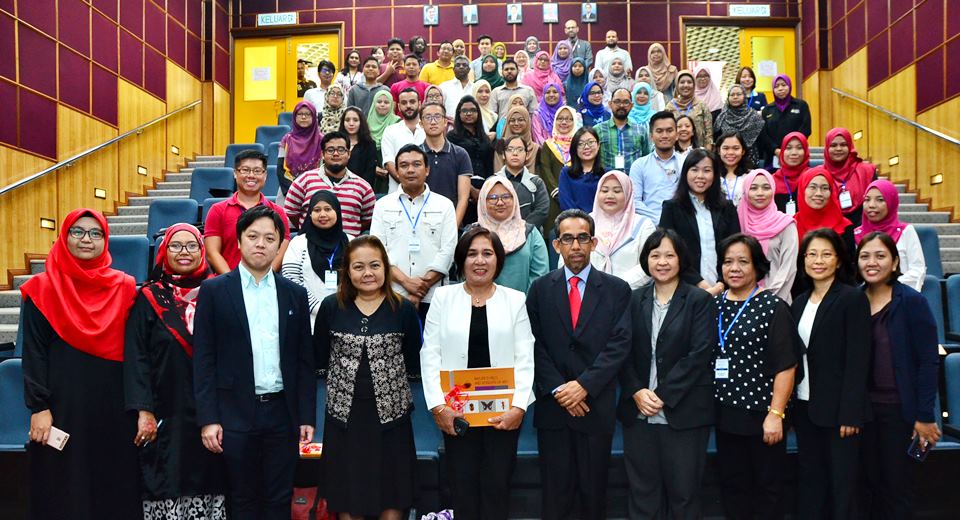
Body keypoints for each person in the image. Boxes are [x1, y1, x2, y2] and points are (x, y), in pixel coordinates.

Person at [193, 205, 316, 520]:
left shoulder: (294, 294)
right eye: (253, 236)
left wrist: (306, 416)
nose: (261, 244)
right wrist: (208, 418)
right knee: (242, 500)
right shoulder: (214, 290)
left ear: (279, 244)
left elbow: (304, 361)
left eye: (269, 238)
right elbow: (204, 360)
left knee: (279, 498)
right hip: (233, 413)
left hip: (282, 413)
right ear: (240, 239)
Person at [22, 209, 140, 519]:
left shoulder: (125, 287)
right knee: (63, 484)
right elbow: (34, 352)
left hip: (114, 406)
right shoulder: (41, 288)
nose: (86, 239)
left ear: (106, 239)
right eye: (77, 232)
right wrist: (39, 407)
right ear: (64, 236)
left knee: (112, 483)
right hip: (62, 405)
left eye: (95, 233)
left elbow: (138, 352)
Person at [420, 227, 536, 520]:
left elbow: (525, 356)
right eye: (472, 254)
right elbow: (430, 354)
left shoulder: (515, 300)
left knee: (497, 487)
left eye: (487, 253)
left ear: (498, 260)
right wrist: (438, 406)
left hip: (502, 414)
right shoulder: (443, 298)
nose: (479, 261)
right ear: (461, 260)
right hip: (456, 412)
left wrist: (518, 407)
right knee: (462, 488)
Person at [527, 209, 632, 520]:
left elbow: (619, 345)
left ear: (594, 242)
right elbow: (534, 344)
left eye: (582, 238)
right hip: (554, 410)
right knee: (555, 497)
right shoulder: (540, 289)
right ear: (556, 245)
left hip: (594, 408)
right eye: (568, 239)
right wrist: (562, 389)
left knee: (593, 495)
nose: (576, 246)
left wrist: (584, 386)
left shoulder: (616, 290)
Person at [314, 235, 421, 519]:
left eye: (374, 265)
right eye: (358, 266)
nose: (367, 273)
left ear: (385, 268)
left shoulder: (403, 309)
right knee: (347, 496)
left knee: (393, 494)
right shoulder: (331, 307)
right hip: (344, 421)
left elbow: (413, 358)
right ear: (347, 271)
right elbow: (320, 357)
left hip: (392, 420)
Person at [124, 224, 226, 519]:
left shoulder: (218, 291)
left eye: (192, 245)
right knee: (166, 480)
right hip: (165, 410)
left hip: (211, 409)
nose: (184, 252)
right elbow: (137, 357)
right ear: (163, 252)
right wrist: (143, 410)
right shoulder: (149, 297)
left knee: (211, 479)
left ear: (202, 251)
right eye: (176, 246)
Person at [617, 227, 715, 520]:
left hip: (683, 414)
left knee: (683, 496)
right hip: (639, 415)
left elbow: (699, 355)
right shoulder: (633, 300)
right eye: (655, 254)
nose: (662, 261)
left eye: (669, 255)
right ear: (646, 259)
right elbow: (621, 352)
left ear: (681, 259)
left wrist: (659, 395)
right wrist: (636, 391)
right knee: (643, 495)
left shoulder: (699, 300)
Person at [713, 233, 800, 520]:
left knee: (767, 489)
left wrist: (776, 413)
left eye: (742, 262)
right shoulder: (714, 306)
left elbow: (786, 365)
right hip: (725, 416)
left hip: (763, 417)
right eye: (728, 262)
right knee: (732, 487)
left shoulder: (772, 307)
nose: (734, 268)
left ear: (757, 267)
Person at [856, 231, 941, 519]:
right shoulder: (853, 300)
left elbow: (929, 362)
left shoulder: (912, 301)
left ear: (894, 263)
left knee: (897, 488)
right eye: (865, 256)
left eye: (880, 256)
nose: (872, 262)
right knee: (867, 486)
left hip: (899, 412)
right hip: (863, 412)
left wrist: (924, 415)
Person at [791, 228, 871, 520]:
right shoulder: (799, 302)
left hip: (840, 412)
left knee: (843, 486)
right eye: (811, 254)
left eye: (826, 254)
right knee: (811, 481)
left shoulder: (852, 299)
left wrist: (851, 413)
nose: (818, 260)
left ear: (838, 261)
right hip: (805, 406)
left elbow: (858, 360)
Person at [369, 144, 458, 322]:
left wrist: (420, 287)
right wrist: (406, 282)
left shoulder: (444, 205)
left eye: (417, 164)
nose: (410, 170)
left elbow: (448, 250)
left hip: (434, 295)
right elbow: (377, 251)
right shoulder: (382, 205)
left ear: (427, 170)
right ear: (397, 171)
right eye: (404, 165)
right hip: (394, 293)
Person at [658, 148, 740, 296]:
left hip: (725, 289)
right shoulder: (672, 208)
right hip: (684, 289)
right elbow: (668, 251)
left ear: (715, 175)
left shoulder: (727, 208)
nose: (700, 176)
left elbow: (734, 248)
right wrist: (701, 284)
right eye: (694, 170)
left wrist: (721, 284)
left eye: (707, 170)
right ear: (685, 173)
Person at [205, 150, 291, 274]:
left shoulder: (278, 212)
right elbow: (213, 253)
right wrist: (234, 282)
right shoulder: (217, 210)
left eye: (257, 171)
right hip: (228, 284)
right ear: (235, 173)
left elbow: (282, 251)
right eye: (245, 170)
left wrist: (262, 280)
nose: (251, 175)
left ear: (265, 175)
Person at [283, 131, 376, 235]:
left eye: (341, 150)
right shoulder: (304, 180)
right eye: (330, 150)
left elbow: (368, 220)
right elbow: (291, 212)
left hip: (348, 248)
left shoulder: (363, 187)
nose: (336, 154)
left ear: (349, 154)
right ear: (322, 154)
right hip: (310, 246)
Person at [280, 191, 351, 328]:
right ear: (310, 214)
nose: (322, 214)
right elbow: (291, 281)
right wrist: (320, 309)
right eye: (317, 210)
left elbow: (358, 279)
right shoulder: (298, 243)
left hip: (347, 319)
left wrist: (344, 310)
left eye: (328, 209)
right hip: (308, 321)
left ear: (337, 211)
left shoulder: (351, 243)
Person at [475, 177, 549, 293]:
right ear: (483, 200)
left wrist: (522, 306)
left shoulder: (530, 233)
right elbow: (463, 275)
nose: (500, 203)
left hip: (523, 307)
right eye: (493, 197)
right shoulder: (472, 234)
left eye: (506, 197)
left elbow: (540, 275)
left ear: (514, 199)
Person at [738, 169, 799, 303]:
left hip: (777, 299)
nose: (760, 193)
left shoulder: (785, 224)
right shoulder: (737, 220)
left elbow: (788, 268)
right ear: (746, 190)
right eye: (753, 188)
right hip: (740, 297)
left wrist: (768, 298)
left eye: (766, 188)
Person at [854, 180, 926, 290]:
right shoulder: (856, 234)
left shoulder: (906, 231)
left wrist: (886, 287)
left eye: (880, 200)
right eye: (867, 200)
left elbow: (917, 270)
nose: (871, 205)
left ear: (891, 202)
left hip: (901, 294)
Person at [589, 170, 656, 288]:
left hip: (630, 294)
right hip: (590, 294)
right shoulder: (586, 222)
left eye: (617, 191)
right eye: (604, 190)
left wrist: (617, 287)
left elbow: (649, 264)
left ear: (628, 193)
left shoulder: (643, 225)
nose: (610, 195)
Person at [419, 102, 473, 228]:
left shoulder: (460, 154)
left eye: (437, 117)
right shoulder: (415, 155)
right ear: (421, 123)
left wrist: (452, 228)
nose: (433, 122)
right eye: (428, 117)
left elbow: (463, 198)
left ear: (445, 122)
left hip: (451, 222)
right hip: (420, 223)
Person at [810, 127, 877, 226]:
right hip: (828, 230)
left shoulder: (867, 172)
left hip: (862, 230)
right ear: (827, 148)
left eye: (843, 145)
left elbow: (874, 202)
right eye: (833, 145)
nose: (838, 149)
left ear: (850, 147)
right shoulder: (818, 174)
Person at [629, 111, 684, 222]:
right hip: (650, 226)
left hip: (682, 223)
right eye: (659, 131)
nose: (664, 135)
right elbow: (635, 202)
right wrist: (660, 220)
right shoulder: (639, 165)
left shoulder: (686, 162)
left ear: (677, 134)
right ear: (651, 136)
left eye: (669, 131)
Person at [449, 96, 496, 220]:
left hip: (484, 189)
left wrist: (486, 190)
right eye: (464, 111)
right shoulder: (452, 137)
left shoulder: (484, 138)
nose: (469, 113)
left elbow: (490, 166)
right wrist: (471, 190)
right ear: (458, 114)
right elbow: (452, 167)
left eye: (473, 110)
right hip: (460, 188)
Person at [794, 169, 855, 256]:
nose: (819, 193)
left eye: (825, 188)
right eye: (812, 187)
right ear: (802, 190)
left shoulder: (845, 227)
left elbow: (848, 264)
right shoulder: (792, 225)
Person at [494, 134, 550, 229]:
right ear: (503, 154)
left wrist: (522, 229)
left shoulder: (536, 182)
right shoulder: (493, 181)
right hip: (499, 232)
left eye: (520, 150)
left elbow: (542, 210)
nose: (515, 153)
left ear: (527, 155)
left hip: (529, 234)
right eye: (510, 149)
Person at [542, 108, 583, 229]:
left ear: (574, 122)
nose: (564, 122)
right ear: (555, 121)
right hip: (554, 197)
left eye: (568, 119)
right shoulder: (548, 145)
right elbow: (545, 169)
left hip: (576, 195)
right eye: (560, 118)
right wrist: (556, 191)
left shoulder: (579, 144)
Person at [758, 74, 812, 167]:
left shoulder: (801, 105)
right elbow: (763, 134)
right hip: (773, 156)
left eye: (783, 85)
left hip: (796, 154)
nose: (780, 88)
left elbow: (806, 129)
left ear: (789, 86)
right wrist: (776, 150)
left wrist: (791, 149)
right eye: (776, 86)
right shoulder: (767, 109)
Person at [594, 88, 651, 171]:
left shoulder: (641, 130)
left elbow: (646, 158)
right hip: (607, 180)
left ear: (631, 105)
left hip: (633, 180)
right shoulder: (598, 130)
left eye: (626, 102)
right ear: (610, 104)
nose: (621, 105)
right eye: (617, 101)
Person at [381, 88, 426, 192]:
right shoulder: (390, 131)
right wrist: (409, 185)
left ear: (419, 104)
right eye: (404, 103)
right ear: (399, 107)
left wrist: (420, 187)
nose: (408, 106)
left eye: (412, 102)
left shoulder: (428, 130)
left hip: (426, 195)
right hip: (397, 195)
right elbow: (389, 163)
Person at [278, 101, 324, 197]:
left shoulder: (322, 140)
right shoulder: (287, 139)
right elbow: (280, 169)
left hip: (316, 190)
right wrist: (293, 191)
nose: (303, 117)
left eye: (307, 114)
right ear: (295, 117)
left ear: (314, 117)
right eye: (300, 114)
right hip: (289, 190)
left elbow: (324, 168)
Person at [714, 85, 765, 167]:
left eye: (738, 94)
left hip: (750, 160)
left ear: (744, 96)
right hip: (727, 159)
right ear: (728, 97)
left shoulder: (754, 116)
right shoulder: (722, 116)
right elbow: (717, 140)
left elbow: (761, 141)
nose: (735, 97)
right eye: (732, 95)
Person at [558, 126, 604, 213]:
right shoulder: (566, 173)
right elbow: (566, 203)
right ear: (575, 148)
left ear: (598, 145)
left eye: (590, 142)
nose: (586, 147)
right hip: (575, 222)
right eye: (580, 144)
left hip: (601, 222)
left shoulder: (606, 174)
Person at [667, 70, 714, 150]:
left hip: (698, 153)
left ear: (694, 85)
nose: (686, 85)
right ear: (677, 85)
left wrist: (707, 154)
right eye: (682, 82)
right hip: (674, 152)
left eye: (689, 82)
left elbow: (709, 133)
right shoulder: (670, 107)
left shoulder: (701, 105)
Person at [367, 90, 401, 194]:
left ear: (392, 105)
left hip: (393, 172)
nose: (382, 105)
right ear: (373, 103)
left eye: (386, 102)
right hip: (371, 173)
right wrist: (374, 168)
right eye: (379, 102)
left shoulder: (397, 122)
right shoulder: (366, 123)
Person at [340, 106, 379, 187]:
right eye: (347, 120)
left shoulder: (369, 145)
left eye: (355, 120)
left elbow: (369, 173)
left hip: (360, 190)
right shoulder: (337, 143)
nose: (351, 123)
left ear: (361, 122)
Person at [494, 105, 540, 174]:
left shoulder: (535, 149)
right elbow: (498, 171)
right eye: (512, 120)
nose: (516, 123)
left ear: (527, 122)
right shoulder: (501, 144)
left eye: (521, 120)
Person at [773, 131, 810, 214]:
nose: (794, 153)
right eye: (788, 148)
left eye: (799, 148)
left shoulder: (813, 178)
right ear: (782, 151)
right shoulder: (772, 180)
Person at [715, 132, 753, 207]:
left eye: (736, 148)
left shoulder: (751, 176)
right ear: (719, 151)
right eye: (726, 148)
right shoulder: (712, 175)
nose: (730, 152)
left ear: (743, 151)